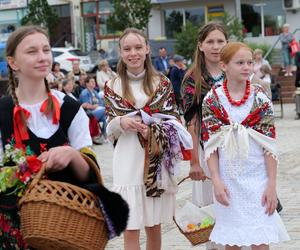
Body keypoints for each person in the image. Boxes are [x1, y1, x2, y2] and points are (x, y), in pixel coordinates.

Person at [0, 25, 99, 249]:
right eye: (32, 51)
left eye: (46, 49)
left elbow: (90, 174)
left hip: (64, 228)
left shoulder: (70, 108)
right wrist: (24, 170)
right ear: (13, 62)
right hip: (15, 232)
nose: (42, 57)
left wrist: (71, 155)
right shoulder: (3, 112)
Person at [104, 28, 192, 250]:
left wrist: (151, 130)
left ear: (146, 49)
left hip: (155, 158)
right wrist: (121, 123)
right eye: (127, 49)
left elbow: (173, 119)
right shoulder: (112, 85)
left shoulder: (161, 83)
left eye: (137, 47)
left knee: (154, 225)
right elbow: (109, 125)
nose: (133, 53)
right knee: (130, 226)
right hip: (126, 158)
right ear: (121, 52)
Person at [202, 41, 290, 249]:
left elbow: (269, 146)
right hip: (228, 178)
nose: (246, 67)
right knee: (232, 242)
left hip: (258, 178)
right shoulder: (213, 100)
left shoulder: (260, 100)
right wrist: (216, 180)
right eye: (240, 62)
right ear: (224, 66)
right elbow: (210, 145)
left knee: (260, 241)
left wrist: (271, 185)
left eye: (249, 63)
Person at [181, 22, 228, 250]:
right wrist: (194, 161)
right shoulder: (193, 79)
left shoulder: (236, 70)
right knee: (213, 211)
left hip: (236, 151)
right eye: (210, 41)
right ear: (200, 45)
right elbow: (192, 122)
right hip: (207, 150)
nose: (215, 46)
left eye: (220, 41)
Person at [80, 77, 107, 141]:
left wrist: (96, 105)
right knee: (106, 110)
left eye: (94, 81)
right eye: (92, 81)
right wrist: (94, 106)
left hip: (99, 110)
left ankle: (105, 136)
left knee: (105, 118)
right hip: (90, 113)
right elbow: (86, 106)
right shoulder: (84, 93)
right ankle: (104, 135)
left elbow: (101, 103)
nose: (94, 83)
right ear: (87, 84)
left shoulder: (94, 92)